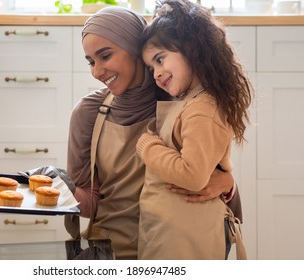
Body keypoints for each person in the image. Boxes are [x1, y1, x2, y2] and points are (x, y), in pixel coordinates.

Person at [65, 6, 241, 260]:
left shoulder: (183, 101)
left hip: (177, 248)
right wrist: (62, 189)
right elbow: (90, 202)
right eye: (91, 62)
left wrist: (228, 185)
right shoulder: (88, 112)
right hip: (113, 252)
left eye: (105, 56)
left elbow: (206, 179)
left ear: (136, 49)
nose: (97, 71)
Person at [136, 0, 252, 259]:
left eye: (160, 59)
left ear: (191, 49)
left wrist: (148, 146)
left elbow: (193, 175)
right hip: (172, 230)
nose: (156, 73)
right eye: (151, 67)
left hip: (186, 235)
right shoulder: (190, 101)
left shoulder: (202, 108)